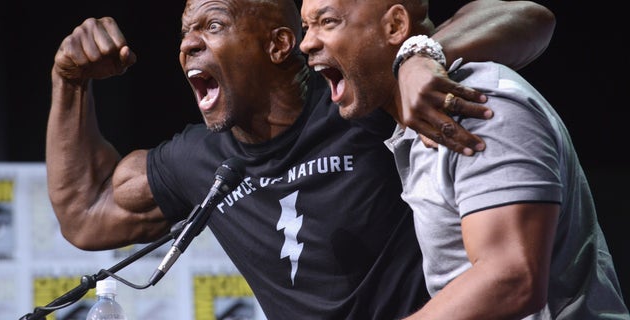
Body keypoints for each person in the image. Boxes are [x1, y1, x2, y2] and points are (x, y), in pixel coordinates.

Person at [46, 0, 555, 318]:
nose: (188, 44)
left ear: (279, 44)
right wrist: (69, 81)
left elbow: (528, 18)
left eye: (213, 24)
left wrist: (420, 55)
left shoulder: (358, 100)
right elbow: (86, 214)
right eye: (185, 31)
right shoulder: (201, 161)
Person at [299, 0, 629, 319]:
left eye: (327, 22)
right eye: (305, 26)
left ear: (395, 25)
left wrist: (417, 54)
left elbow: (512, 279)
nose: (307, 43)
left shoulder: (474, 106)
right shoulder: (415, 125)